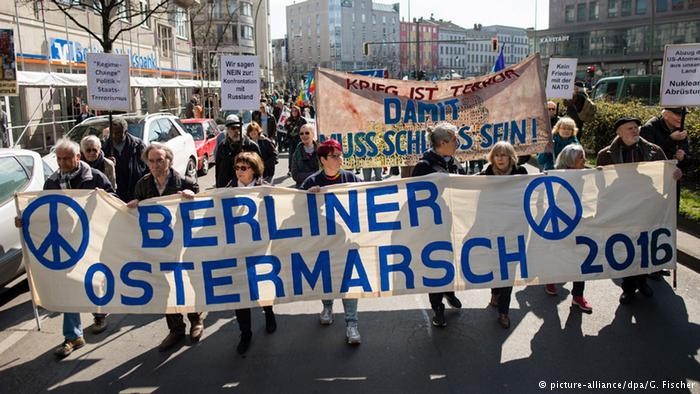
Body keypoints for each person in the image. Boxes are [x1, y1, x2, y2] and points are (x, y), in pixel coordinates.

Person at [16, 138, 113, 358]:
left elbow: (114, 202)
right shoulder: (51, 182)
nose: (62, 162)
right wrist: (25, 219)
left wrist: (104, 196)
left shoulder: (95, 178)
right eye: (59, 158)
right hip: (66, 243)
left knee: (93, 279)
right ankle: (73, 336)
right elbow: (41, 209)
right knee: (69, 286)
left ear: (78, 157)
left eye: (67, 158)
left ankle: (99, 313)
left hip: (92, 240)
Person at [126, 142, 204, 351]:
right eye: (151, 161)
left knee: (185, 282)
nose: (156, 165)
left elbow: (203, 210)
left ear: (168, 160)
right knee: (164, 288)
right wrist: (134, 206)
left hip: (182, 245)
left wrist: (192, 197)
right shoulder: (143, 186)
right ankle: (175, 328)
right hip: (158, 249)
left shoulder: (185, 182)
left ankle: (196, 319)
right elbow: (139, 216)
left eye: (160, 160)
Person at [597, 117, 682, 304]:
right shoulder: (606, 155)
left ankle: (642, 281)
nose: (635, 131)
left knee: (645, 245)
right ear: (619, 132)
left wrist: (675, 174)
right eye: (630, 128)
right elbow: (600, 185)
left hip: (647, 208)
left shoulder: (654, 151)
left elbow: (666, 174)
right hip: (622, 208)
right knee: (627, 247)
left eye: (636, 127)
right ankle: (628, 287)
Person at [300, 139, 363, 345]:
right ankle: (327, 306)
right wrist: (307, 199)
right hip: (322, 242)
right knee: (325, 278)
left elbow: (366, 202)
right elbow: (295, 210)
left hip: (346, 242)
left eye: (340, 154)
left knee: (348, 282)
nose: (340, 159)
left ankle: (351, 323)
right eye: (335, 156)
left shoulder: (351, 178)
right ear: (323, 159)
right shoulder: (311, 182)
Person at [411, 122, 464, 327]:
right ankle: (437, 307)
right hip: (431, 227)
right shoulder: (424, 166)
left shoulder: (453, 162)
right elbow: (414, 197)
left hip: (451, 222)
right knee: (434, 265)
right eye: (455, 140)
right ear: (443, 142)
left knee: (449, 260)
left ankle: (449, 291)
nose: (458, 143)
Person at [228, 152, 277, 354]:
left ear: (254, 170)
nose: (239, 172)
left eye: (244, 168)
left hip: (260, 247)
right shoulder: (228, 190)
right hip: (237, 249)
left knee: (262, 284)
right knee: (241, 291)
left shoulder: (265, 189)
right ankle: (245, 332)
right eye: (237, 167)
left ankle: (269, 312)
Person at [479, 141, 528, 329]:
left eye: (504, 155)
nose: (500, 158)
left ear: (511, 157)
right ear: (492, 157)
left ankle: (503, 312)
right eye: (497, 155)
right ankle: (495, 292)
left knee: (509, 271)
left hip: (516, 230)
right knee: (497, 267)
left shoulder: (521, 173)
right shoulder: (485, 175)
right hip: (494, 230)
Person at [640, 107, 691, 279]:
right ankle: (645, 261)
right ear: (666, 114)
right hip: (653, 185)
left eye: (682, 115)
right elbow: (650, 154)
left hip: (671, 184)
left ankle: (659, 261)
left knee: (666, 222)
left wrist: (684, 158)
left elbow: (687, 160)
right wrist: (670, 140)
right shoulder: (650, 128)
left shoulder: (681, 130)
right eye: (678, 115)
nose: (681, 118)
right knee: (651, 222)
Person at [542, 144, 593, 312]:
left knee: (581, 259)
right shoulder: (555, 177)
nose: (585, 160)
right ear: (570, 161)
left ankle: (578, 296)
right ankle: (551, 277)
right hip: (561, 224)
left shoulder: (587, 176)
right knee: (559, 254)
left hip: (581, 223)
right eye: (581, 158)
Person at [102, 118, 147, 202]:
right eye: (112, 133)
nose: (114, 136)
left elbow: (148, 168)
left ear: (125, 132)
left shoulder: (138, 145)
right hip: (116, 196)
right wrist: (106, 163)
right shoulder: (104, 148)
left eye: (118, 133)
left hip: (136, 194)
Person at [215, 114, 261, 188]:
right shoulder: (222, 146)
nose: (237, 131)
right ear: (227, 130)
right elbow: (218, 169)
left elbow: (259, 169)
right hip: (226, 188)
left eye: (238, 128)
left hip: (247, 188)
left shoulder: (251, 146)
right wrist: (218, 188)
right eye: (233, 128)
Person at [290, 123, 319, 188]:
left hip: (319, 187)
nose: (304, 135)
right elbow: (295, 175)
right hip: (302, 188)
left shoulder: (320, 150)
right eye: (301, 133)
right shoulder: (296, 153)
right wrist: (315, 174)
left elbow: (324, 172)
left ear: (313, 134)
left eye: (307, 133)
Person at [284, 105, 307, 173]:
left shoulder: (302, 120)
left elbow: (306, 129)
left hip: (300, 139)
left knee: (301, 154)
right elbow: (286, 129)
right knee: (291, 155)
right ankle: (290, 169)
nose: (294, 112)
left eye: (295, 111)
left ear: (298, 112)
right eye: (292, 111)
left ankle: (301, 168)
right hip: (291, 140)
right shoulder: (289, 119)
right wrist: (287, 125)